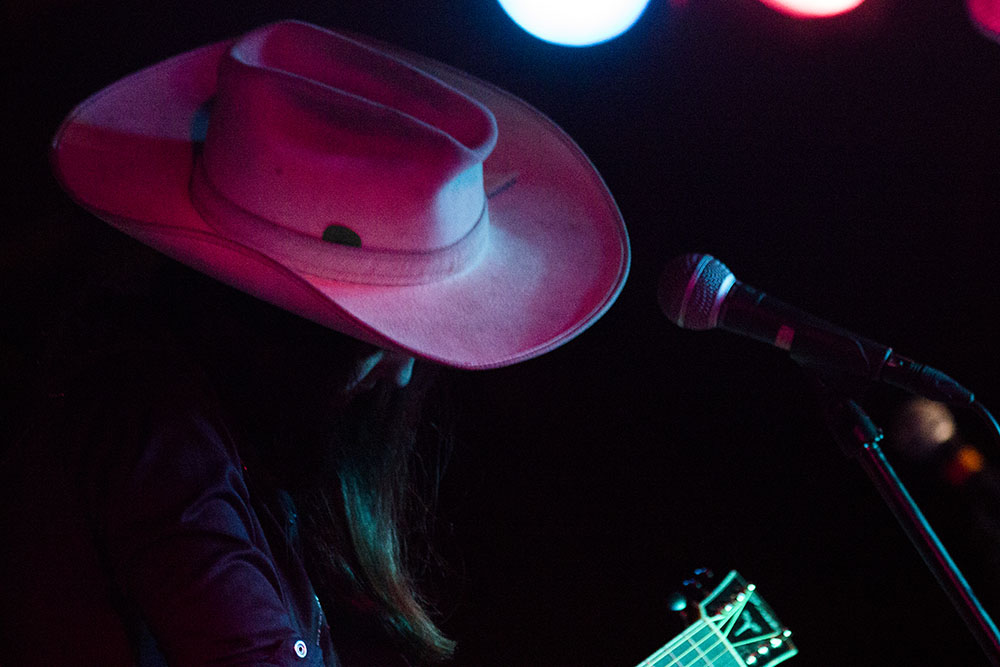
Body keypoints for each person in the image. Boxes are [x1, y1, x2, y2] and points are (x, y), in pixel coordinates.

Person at [0, 19, 629, 667]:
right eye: (377, 342)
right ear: (298, 341)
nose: (402, 377)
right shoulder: (152, 422)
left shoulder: (206, 442)